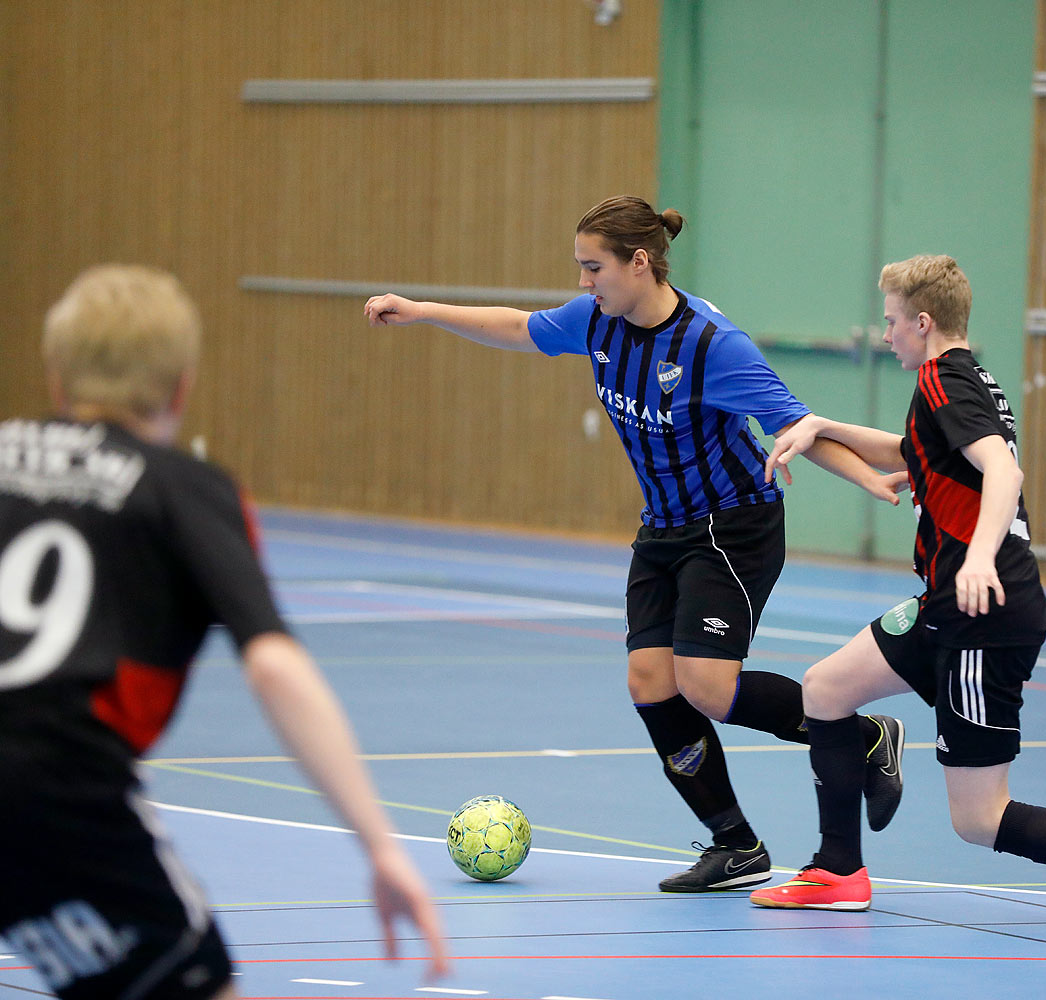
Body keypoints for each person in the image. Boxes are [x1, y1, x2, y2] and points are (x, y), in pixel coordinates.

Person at [364, 195, 907, 892]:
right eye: (581, 269)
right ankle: (735, 845)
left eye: (595, 268)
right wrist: (424, 311)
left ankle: (863, 738)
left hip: (732, 527)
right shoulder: (597, 321)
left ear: (640, 262)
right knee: (651, 683)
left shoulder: (713, 346)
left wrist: (868, 478)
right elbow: (519, 326)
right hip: (663, 528)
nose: (585, 283)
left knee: (706, 686)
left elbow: (797, 424)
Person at [0, 265, 451, 1000]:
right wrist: (378, 843)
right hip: (58, 789)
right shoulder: (184, 488)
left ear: (55, 378)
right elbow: (274, 667)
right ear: (181, 387)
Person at [746, 254, 1046, 926]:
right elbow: (905, 452)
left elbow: (1004, 469)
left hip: (984, 612)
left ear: (922, 322)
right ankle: (837, 870)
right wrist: (820, 425)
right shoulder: (956, 383)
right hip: (946, 606)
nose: (885, 337)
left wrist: (978, 558)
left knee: (979, 819)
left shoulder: (946, 381)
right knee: (826, 689)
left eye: (891, 323)